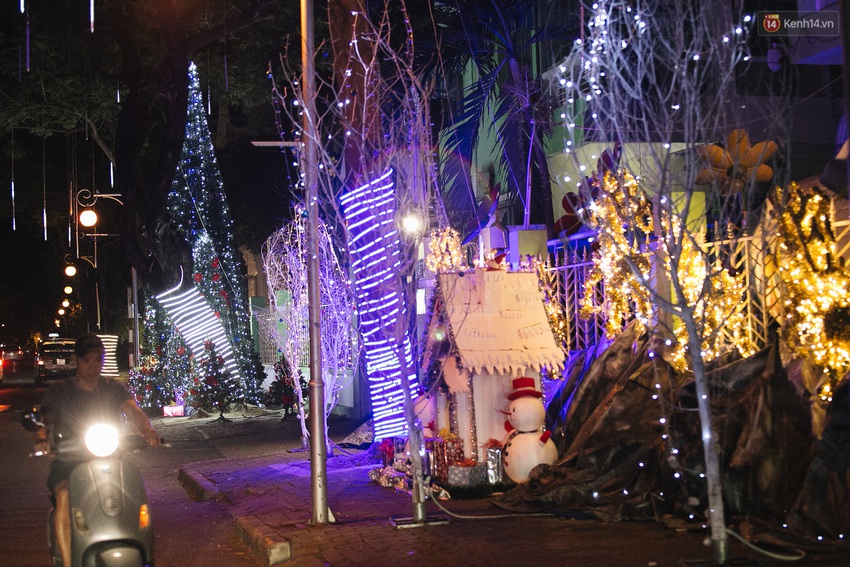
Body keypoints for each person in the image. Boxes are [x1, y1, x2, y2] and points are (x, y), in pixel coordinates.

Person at [32, 332, 159, 567]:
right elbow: (44, 419)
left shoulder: (112, 388)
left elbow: (132, 410)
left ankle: (141, 548)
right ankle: (70, 561)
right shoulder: (61, 390)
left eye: (97, 360)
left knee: (134, 491)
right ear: (76, 360)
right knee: (64, 496)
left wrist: (147, 430)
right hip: (70, 460)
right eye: (86, 360)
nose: (93, 366)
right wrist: (43, 439)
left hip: (110, 457)